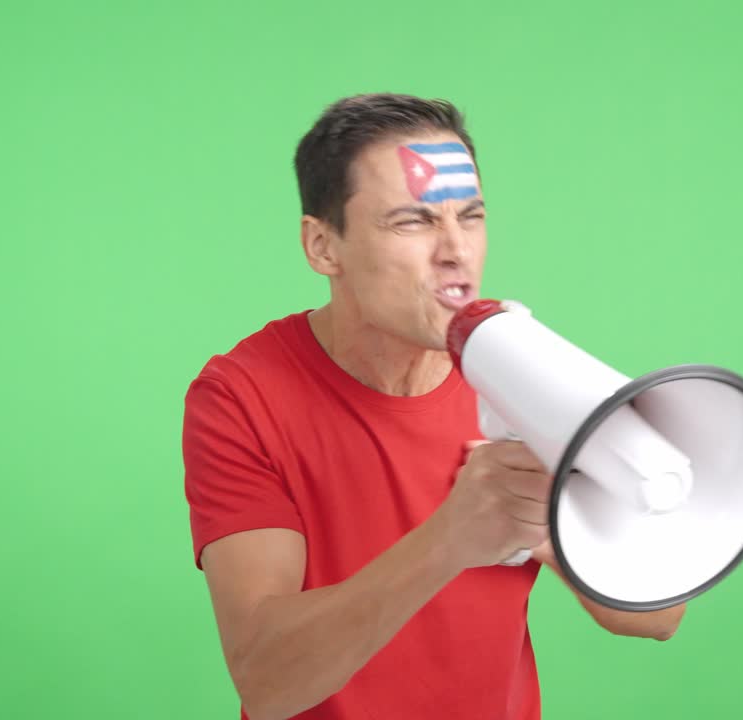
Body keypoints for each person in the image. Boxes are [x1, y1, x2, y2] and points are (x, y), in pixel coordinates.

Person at [182, 93, 686, 720]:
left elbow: (660, 616)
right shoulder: (242, 396)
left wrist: (554, 522)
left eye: (470, 217)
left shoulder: (525, 371)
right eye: (412, 221)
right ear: (323, 247)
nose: (456, 250)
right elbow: (266, 682)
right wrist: (453, 537)